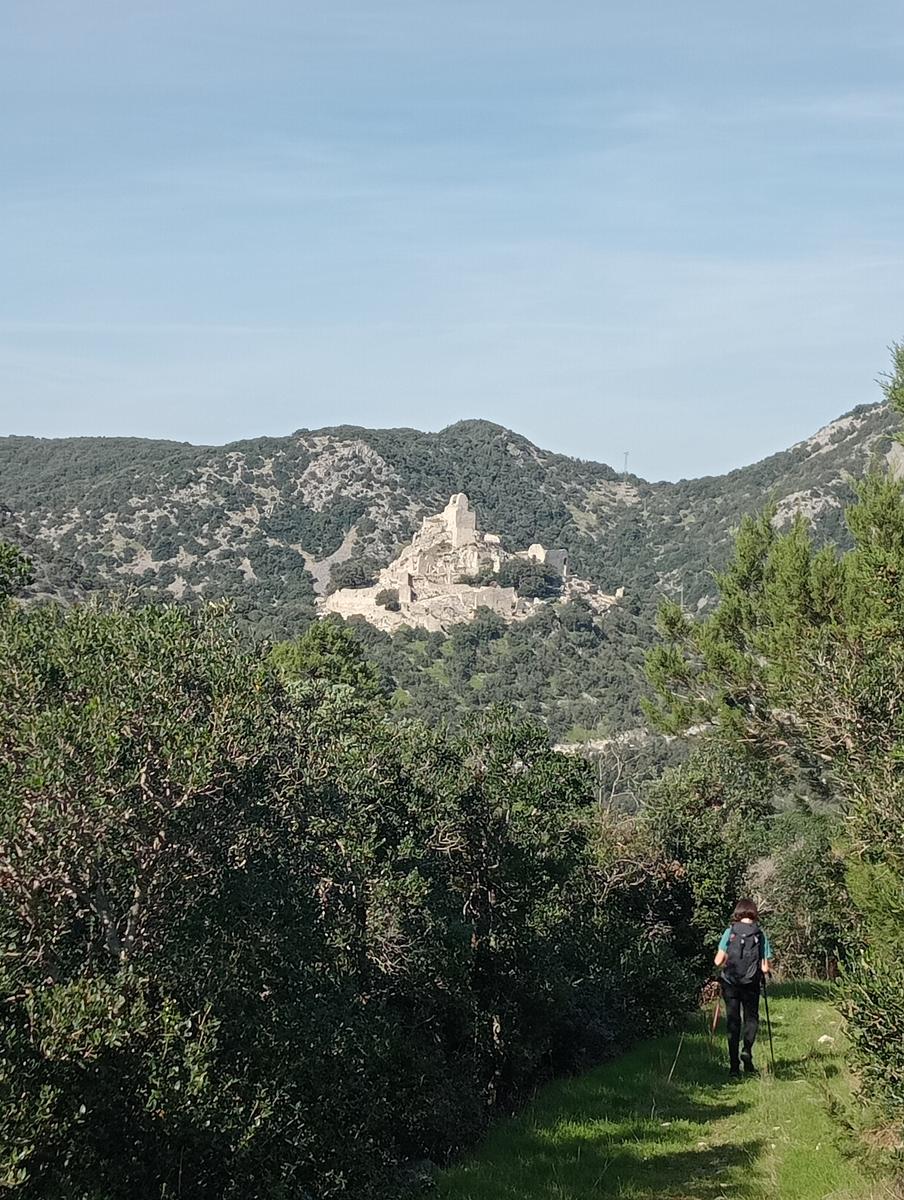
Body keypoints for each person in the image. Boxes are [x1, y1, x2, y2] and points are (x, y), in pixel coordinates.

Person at [714, 898, 773, 1077]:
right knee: (751, 1019)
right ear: (754, 913)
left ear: (738, 912)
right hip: (751, 984)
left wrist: (728, 961)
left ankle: (734, 1067)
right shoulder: (760, 934)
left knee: (733, 1022)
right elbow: (765, 968)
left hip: (730, 983)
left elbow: (717, 961)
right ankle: (747, 1050)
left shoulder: (730, 932)